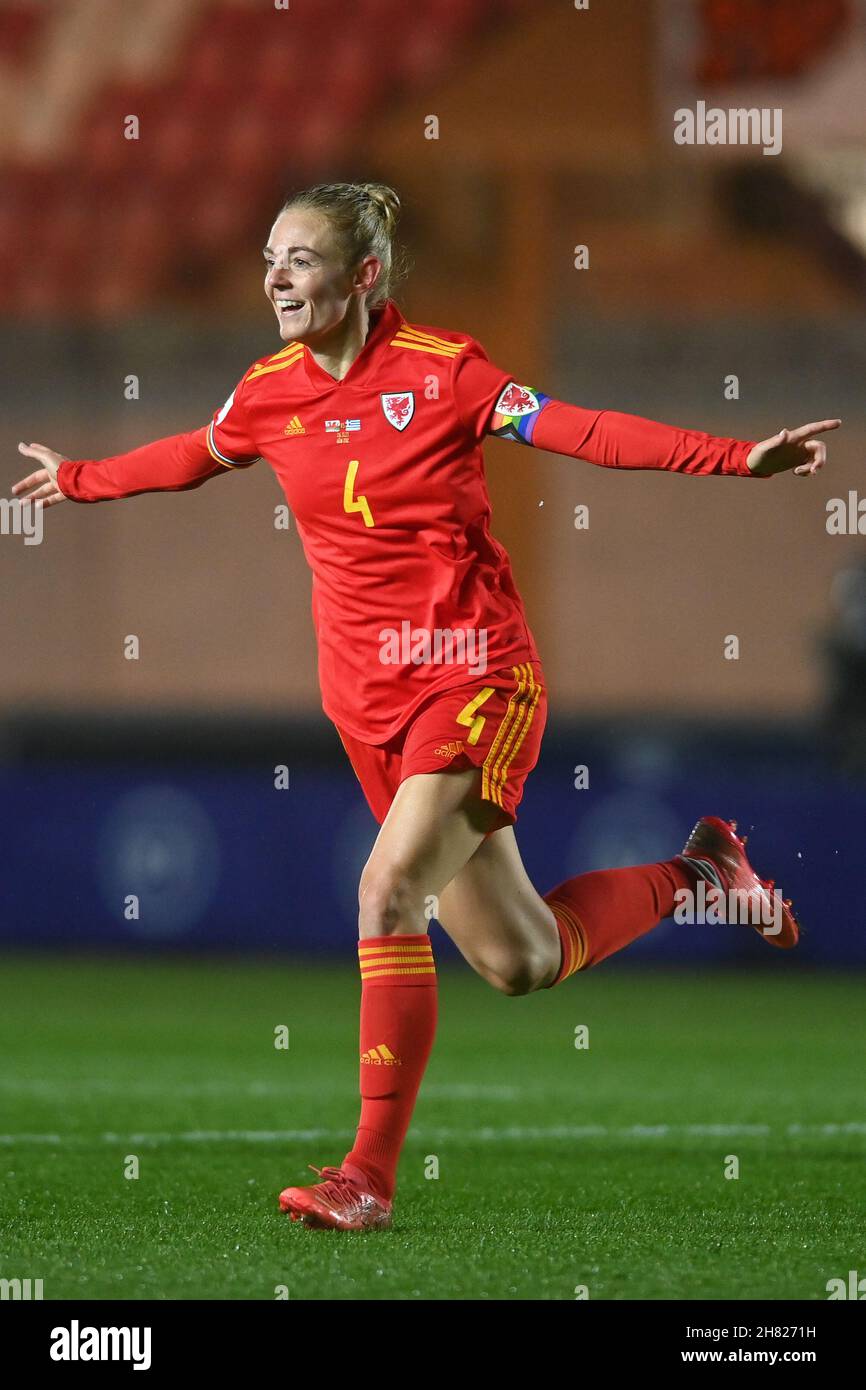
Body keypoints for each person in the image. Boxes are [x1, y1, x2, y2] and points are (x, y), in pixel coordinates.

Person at [13, 180, 840, 1232]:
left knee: (384, 890)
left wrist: (732, 456)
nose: (273, 275)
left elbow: (578, 429)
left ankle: (365, 1175)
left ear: (363, 276)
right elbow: (190, 454)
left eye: (299, 258)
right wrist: (79, 477)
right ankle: (701, 873)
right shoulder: (269, 388)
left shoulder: (444, 373)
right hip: (368, 709)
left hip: (474, 675)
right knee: (521, 959)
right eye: (269, 256)